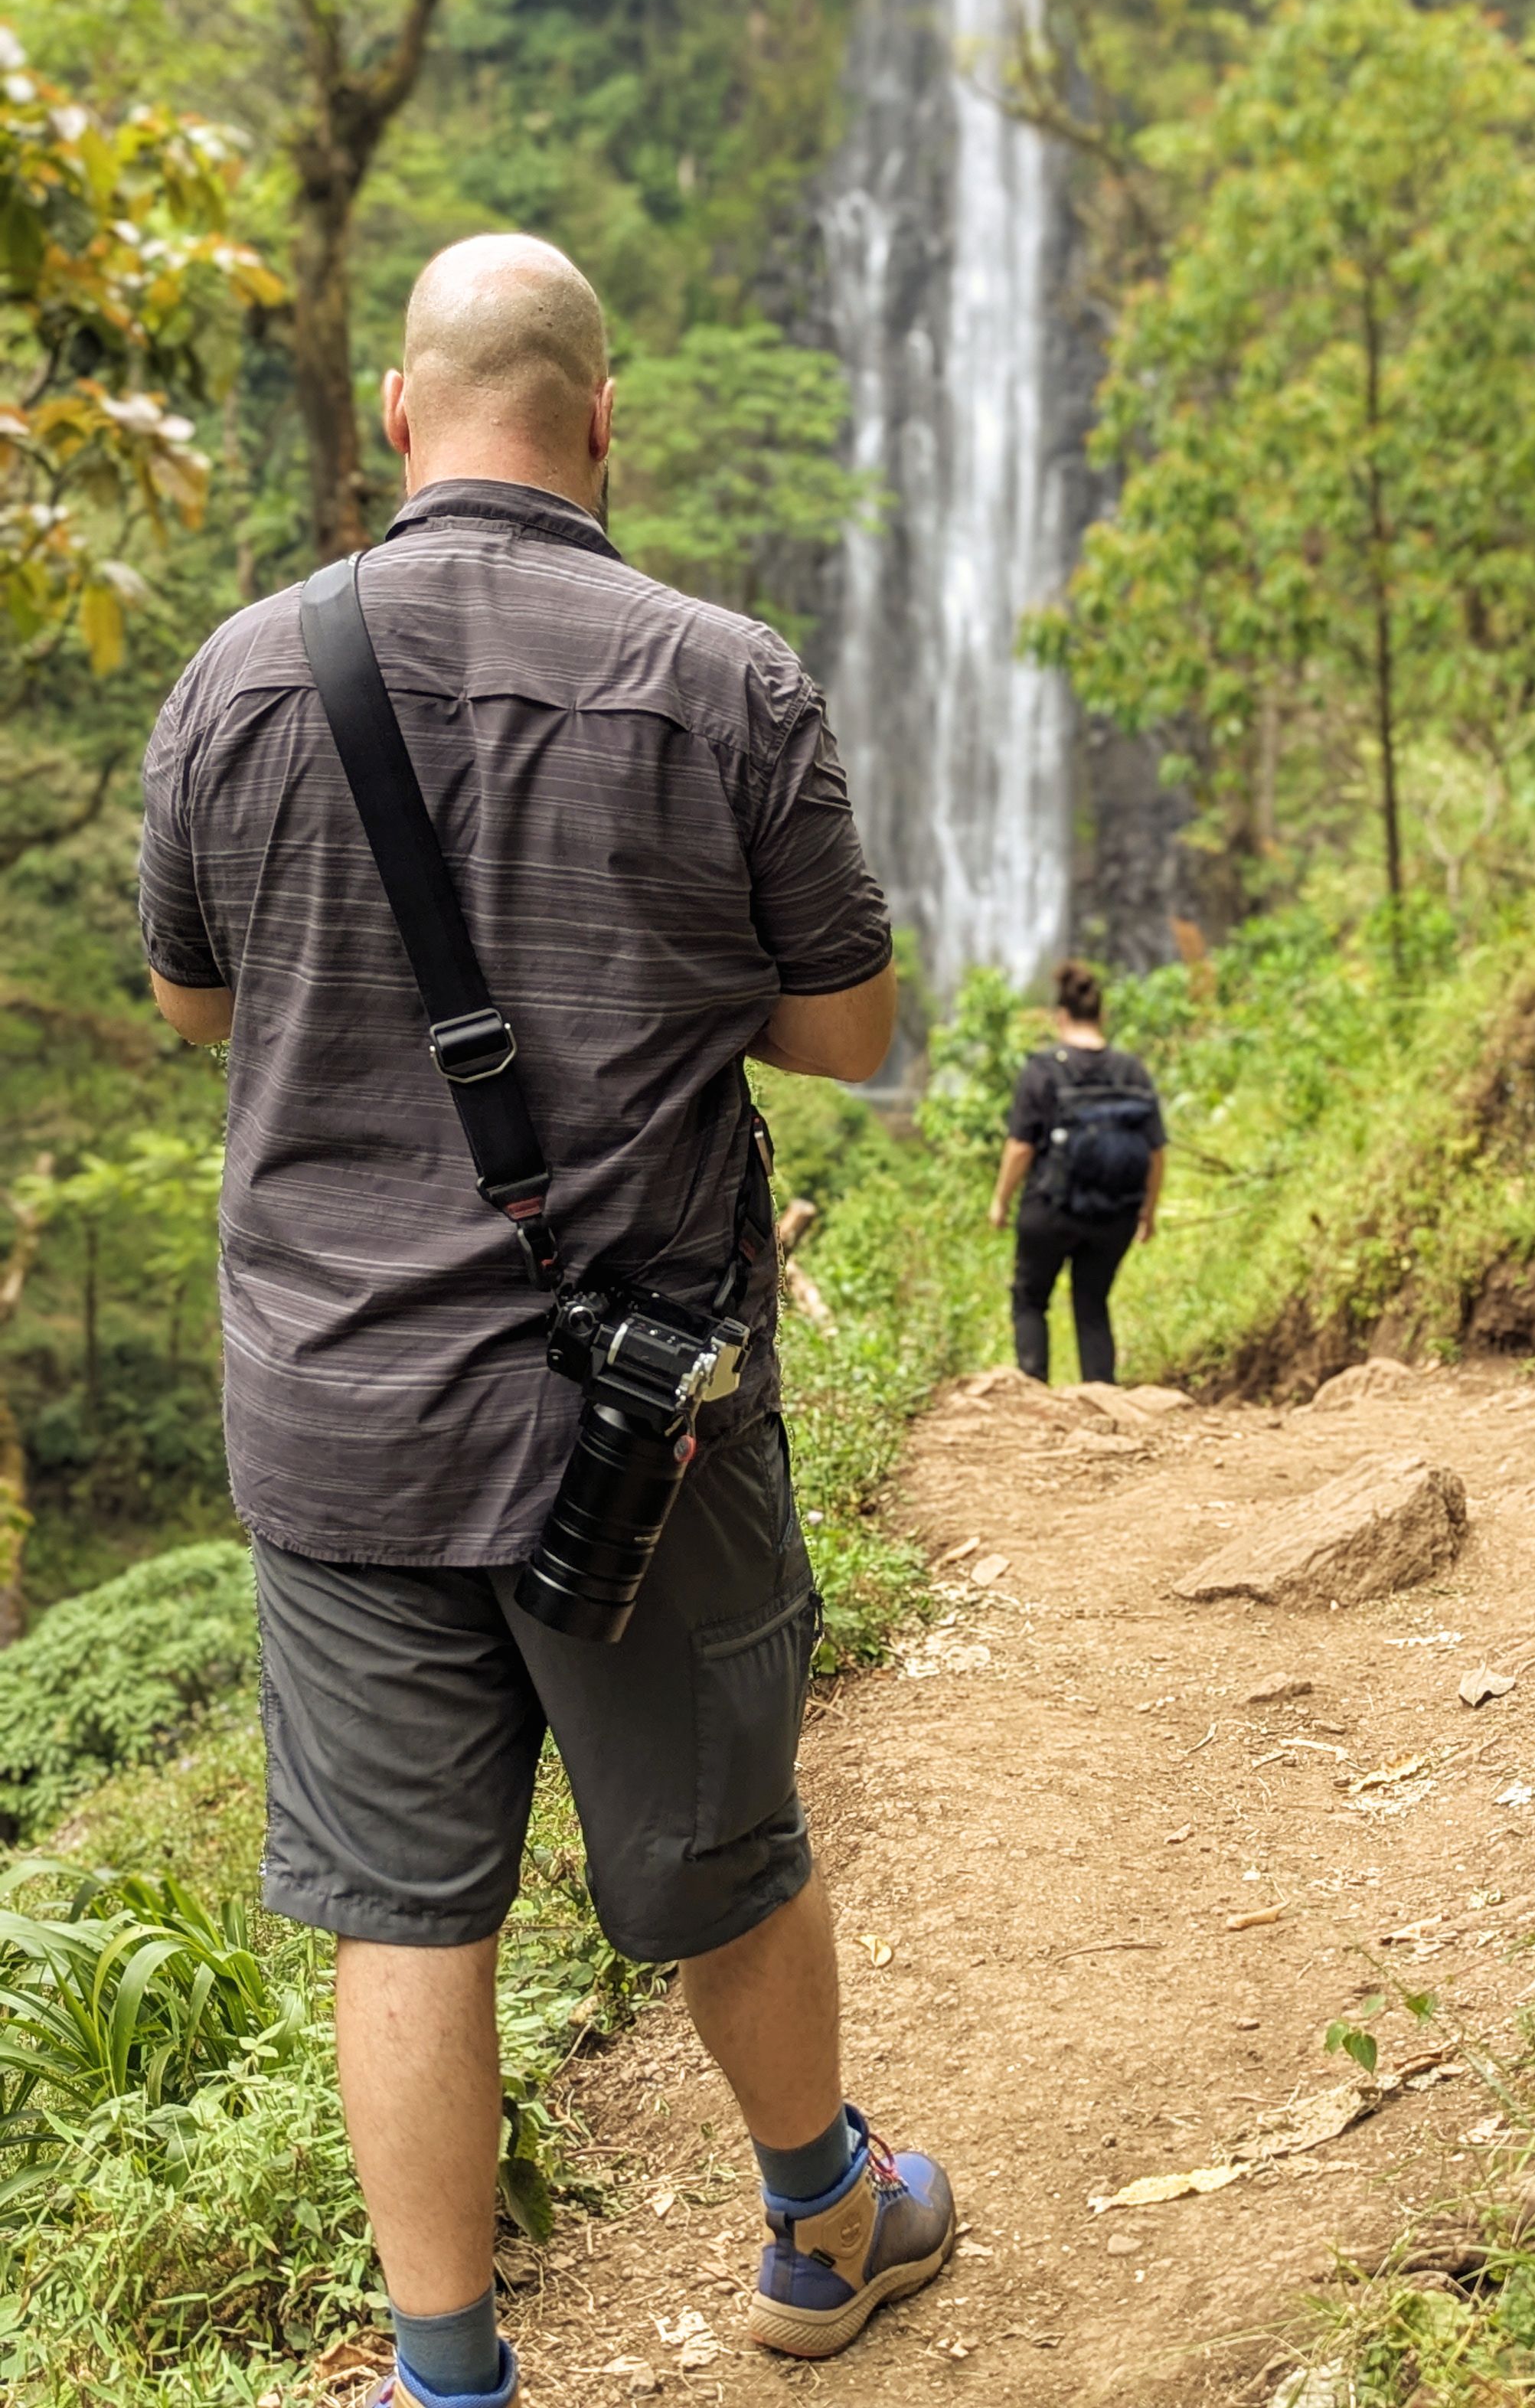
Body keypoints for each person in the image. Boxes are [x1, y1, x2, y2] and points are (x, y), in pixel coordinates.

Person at [138, 234, 954, 2404]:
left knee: (404, 1910)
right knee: (722, 1846)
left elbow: (195, 998)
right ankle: (820, 2225)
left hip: (341, 1421)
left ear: (398, 418)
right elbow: (854, 1028)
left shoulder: (237, 679)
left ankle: (445, 2373)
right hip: (637, 1422)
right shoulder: (725, 677)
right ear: (606, 422)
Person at [988, 959, 1164, 1385]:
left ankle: (1032, 1393)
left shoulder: (1043, 1069)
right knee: (1092, 1304)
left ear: (1060, 1017)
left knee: (1030, 1299)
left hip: (1050, 1208)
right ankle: (1101, 1397)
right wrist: (1148, 1211)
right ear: (1102, 1015)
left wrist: (1001, 1199)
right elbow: (1157, 1153)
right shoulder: (1132, 1071)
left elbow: (1021, 1147)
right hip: (1115, 1213)